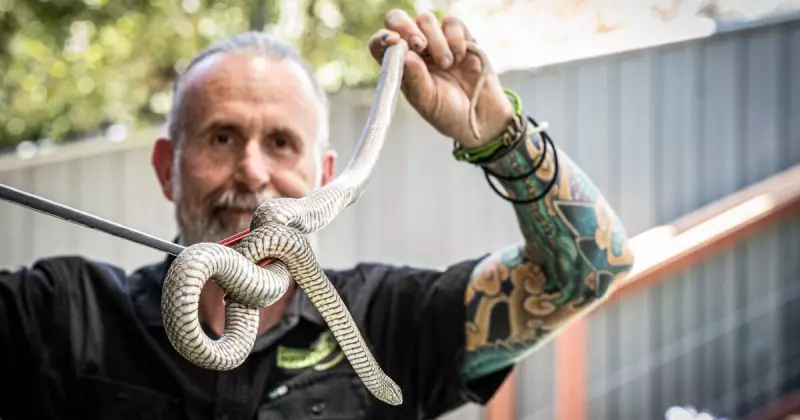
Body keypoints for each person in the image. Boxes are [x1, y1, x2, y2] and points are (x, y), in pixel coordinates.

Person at [0, 9, 635, 420]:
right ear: (168, 163)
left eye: (281, 143)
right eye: (221, 138)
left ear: (324, 177)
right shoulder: (60, 315)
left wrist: (499, 135)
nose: (252, 172)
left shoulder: (390, 322)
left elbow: (584, 273)